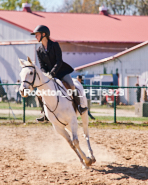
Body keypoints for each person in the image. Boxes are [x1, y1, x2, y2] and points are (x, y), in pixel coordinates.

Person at [31, 25, 88, 121]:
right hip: (49, 75)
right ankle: (45, 113)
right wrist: (46, 75)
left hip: (61, 72)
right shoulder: (38, 50)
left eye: (37, 35)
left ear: (44, 34)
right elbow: (42, 66)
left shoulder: (54, 45)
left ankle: (79, 107)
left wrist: (52, 73)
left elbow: (59, 62)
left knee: (71, 85)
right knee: (39, 93)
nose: (35, 37)